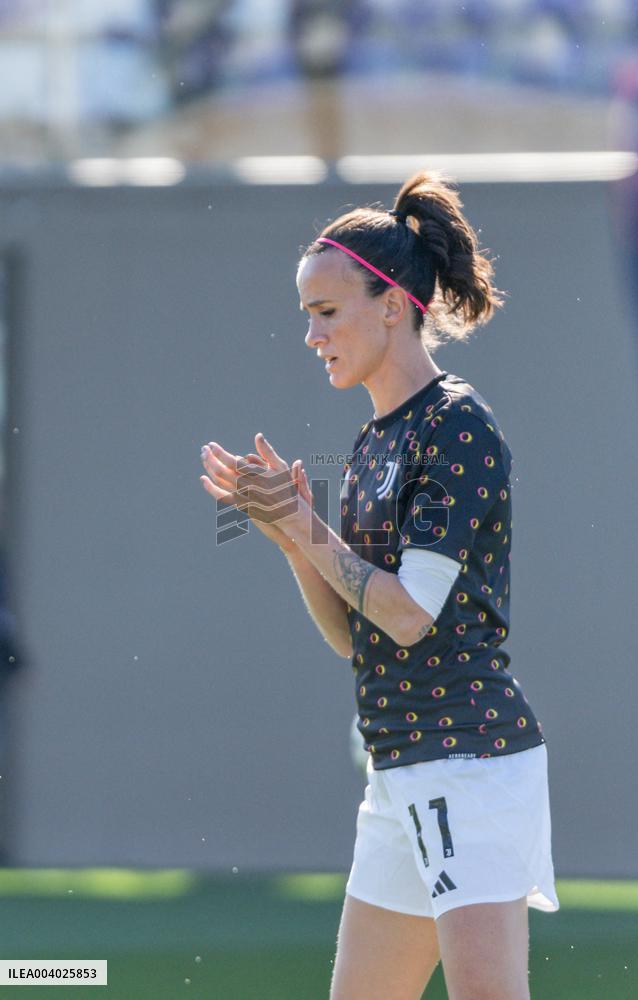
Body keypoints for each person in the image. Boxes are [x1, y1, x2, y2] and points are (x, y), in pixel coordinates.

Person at [199, 169, 559, 1000]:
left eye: (326, 312)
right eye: (308, 316)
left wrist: (311, 523)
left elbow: (406, 615)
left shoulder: (455, 423)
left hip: (468, 764)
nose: (312, 333)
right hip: (399, 768)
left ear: (392, 303)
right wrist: (292, 534)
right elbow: (356, 635)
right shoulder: (371, 443)